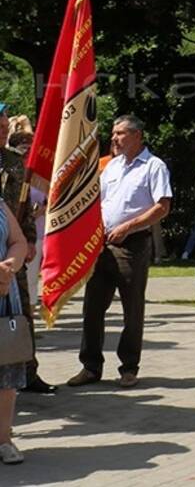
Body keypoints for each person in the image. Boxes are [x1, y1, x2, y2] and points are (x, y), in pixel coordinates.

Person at [68, 115, 171, 389]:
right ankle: (90, 366)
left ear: (138, 136)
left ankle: (128, 367)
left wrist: (128, 226)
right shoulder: (111, 167)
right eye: (113, 133)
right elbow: (97, 203)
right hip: (101, 246)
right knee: (92, 307)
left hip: (132, 246)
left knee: (132, 308)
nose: (114, 138)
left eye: (120, 133)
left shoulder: (153, 166)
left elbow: (162, 206)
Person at [0, 113, 52, 394]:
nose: (2, 133)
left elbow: (24, 206)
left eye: (5, 128)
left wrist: (29, 239)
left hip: (11, 247)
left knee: (21, 312)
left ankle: (27, 373)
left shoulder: (14, 162)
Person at [0, 197, 29, 464]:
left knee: (5, 377)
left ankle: (3, 440)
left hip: (3, 299)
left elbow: (18, 241)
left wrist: (9, 266)